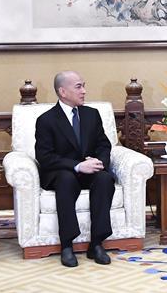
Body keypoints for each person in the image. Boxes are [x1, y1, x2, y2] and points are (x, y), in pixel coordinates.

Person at [35, 71, 115, 267]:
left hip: (89, 169)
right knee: (66, 179)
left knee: (105, 179)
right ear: (62, 91)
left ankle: (96, 243)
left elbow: (104, 145)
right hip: (61, 171)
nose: (84, 91)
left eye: (83, 86)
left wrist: (98, 161)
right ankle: (67, 245)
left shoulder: (91, 114)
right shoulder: (46, 120)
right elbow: (45, 157)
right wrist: (78, 166)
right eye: (78, 87)